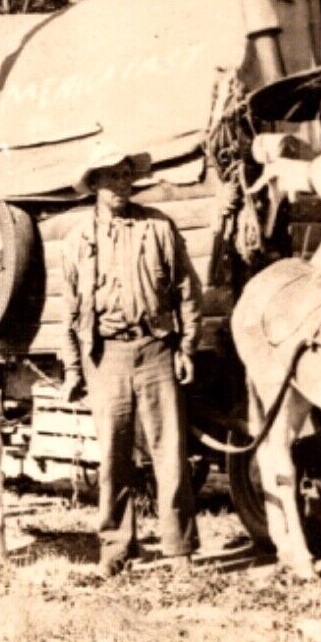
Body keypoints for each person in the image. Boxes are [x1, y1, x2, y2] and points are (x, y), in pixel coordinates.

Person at [59, 152, 202, 577]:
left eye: (126, 176)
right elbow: (68, 310)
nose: (122, 184)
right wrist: (72, 368)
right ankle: (116, 550)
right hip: (106, 356)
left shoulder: (158, 226)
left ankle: (179, 552)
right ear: (94, 185)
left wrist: (187, 348)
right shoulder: (77, 240)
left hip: (156, 349)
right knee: (113, 456)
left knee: (170, 453)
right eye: (111, 177)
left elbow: (185, 289)